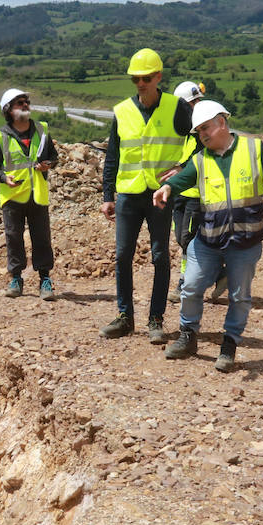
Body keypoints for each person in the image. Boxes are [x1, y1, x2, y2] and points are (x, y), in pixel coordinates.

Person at [153, 101, 263, 371]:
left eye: (206, 128)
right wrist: (167, 187)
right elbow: (183, 179)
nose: (202, 135)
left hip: (245, 242)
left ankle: (229, 345)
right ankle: (188, 336)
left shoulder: (254, 148)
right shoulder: (201, 159)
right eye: (199, 131)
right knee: (190, 287)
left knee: (239, 297)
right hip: (208, 240)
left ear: (222, 123)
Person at [100, 49, 193, 342]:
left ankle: (156, 319)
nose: (140, 83)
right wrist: (107, 194)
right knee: (123, 255)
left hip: (160, 195)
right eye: (136, 78)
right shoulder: (122, 111)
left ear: (158, 77)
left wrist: (182, 168)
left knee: (160, 256)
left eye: (146, 78)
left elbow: (199, 142)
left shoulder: (177, 107)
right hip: (128, 194)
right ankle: (125, 317)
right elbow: (113, 155)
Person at [0, 88, 58, 300]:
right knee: (14, 238)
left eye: (26, 101)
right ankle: (16, 279)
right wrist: (3, 178)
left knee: (42, 238)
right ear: (8, 109)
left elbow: (54, 157)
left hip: (37, 194)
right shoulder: (1, 136)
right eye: (20, 102)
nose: (25, 105)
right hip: (12, 196)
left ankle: (45, 280)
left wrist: (48, 165)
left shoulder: (42, 130)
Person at [168, 81, 205, 303]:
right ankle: (219, 272)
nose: (195, 106)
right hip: (178, 193)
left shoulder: (203, 130)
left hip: (195, 195)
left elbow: (197, 159)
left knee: (187, 238)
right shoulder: (181, 131)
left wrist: (181, 169)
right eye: (192, 103)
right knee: (180, 238)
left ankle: (185, 281)